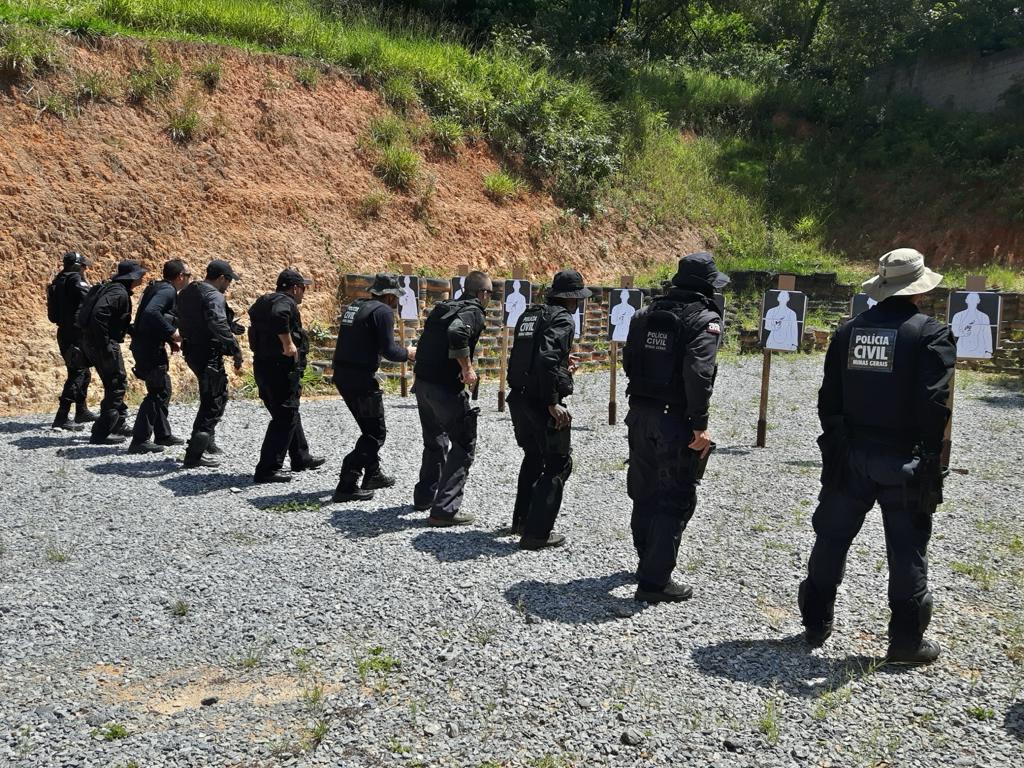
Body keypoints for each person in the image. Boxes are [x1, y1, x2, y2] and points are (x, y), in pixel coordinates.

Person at [798, 248, 956, 665]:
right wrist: (928, 455)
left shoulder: (849, 330)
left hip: (851, 452)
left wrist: (838, 442)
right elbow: (934, 403)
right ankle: (905, 642)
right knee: (906, 548)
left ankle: (816, 622)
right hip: (902, 457)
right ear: (919, 290)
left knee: (831, 536)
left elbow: (828, 397)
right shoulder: (929, 333)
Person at [622, 252, 727, 603]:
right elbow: (699, 373)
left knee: (644, 488)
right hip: (674, 419)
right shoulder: (704, 318)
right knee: (675, 496)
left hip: (639, 412)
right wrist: (700, 424)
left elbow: (629, 360)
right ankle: (654, 582)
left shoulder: (644, 314)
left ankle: (646, 558)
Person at [506, 269, 590, 550]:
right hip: (541, 399)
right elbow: (545, 358)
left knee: (533, 456)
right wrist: (553, 400)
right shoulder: (563, 319)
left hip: (519, 396)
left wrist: (563, 364)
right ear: (572, 299)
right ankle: (537, 534)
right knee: (557, 463)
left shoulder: (530, 315)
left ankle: (521, 521)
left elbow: (532, 356)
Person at [412, 270, 492, 526]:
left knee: (434, 441)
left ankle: (426, 496)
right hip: (444, 388)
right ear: (482, 294)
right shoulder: (473, 311)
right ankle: (444, 510)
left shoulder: (444, 307)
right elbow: (458, 333)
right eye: (489, 293)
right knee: (464, 442)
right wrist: (467, 368)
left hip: (423, 383)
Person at [331, 273, 416, 502]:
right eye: (396, 298)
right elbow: (390, 351)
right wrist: (408, 353)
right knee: (375, 433)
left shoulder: (356, 306)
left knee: (367, 426)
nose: (397, 303)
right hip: (360, 378)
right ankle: (347, 482)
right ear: (388, 297)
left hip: (343, 374)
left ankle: (373, 474)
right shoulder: (383, 312)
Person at [247, 269, 325, 484]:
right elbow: (279, 316)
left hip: (264, 366)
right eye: (303, 289)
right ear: (295, 288)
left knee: (289, 412)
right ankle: (268, 469)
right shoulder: (284, 303)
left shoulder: (264, 300)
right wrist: (288, 343)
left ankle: (301, 457)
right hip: (280, 369)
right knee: (284, 416)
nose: (304, 294)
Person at [176, 259, 243, 468]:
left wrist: (230, 326)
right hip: (207, 354)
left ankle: (206, 444)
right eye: (229, 280)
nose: (229, 284)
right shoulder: (213, 294)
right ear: (222, 278)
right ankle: (194, 455)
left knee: (209, 397)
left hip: (192, 351)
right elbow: (216, 322)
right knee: (214, 400)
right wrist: (234, 348)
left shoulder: (189, 291)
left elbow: (197, 318)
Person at [78, 260, 148, 444]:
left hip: (93, 343)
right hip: (102, 345)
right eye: (139, 275)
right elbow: (99, 315)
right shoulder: (118, 293)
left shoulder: (112, 289)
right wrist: (105, 344)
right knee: (116, 384)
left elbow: (113, 320)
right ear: (132, 277)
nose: (142, 278)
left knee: (112, 383)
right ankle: (101, 432)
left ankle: (115, 423)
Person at [127, 259, 191, 454]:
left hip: (145, 346)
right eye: (188, 275)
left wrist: (169, 340)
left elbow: (154, 317)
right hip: (148, 349)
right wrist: (173, 333)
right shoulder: (167, 291)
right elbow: (151, 313)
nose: (189, 279)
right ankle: (139, 440)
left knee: (164, 388)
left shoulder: (158, 287)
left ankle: (163, 434)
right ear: (180, 276)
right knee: (158, 391)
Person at [47, 251, 98, 429]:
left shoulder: (58, 280)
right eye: (84, 266)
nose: (85, 269)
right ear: (77, 266)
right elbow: (90, 298)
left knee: (80, 371)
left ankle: (81, 411)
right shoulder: (76, 279)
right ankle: (61, 416)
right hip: (76, 333)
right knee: (78, 373)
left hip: (64, 332)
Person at [950, 292, 993, 359]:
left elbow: (987, 335)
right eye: (970, 298)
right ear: (966, 300)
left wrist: (989, 351)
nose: (972, 300)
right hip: (962, 349)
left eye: (975, 299)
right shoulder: (958, 315)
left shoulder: (984, 317)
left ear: (978, 301)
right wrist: (963, 333)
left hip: (979, 349)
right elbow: (953, 332)